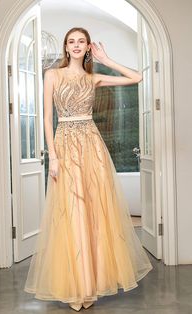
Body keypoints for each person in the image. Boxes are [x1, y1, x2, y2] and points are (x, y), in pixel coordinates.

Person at [24, 27, 153, 311]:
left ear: (88, 47)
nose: (76, 45)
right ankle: (76, 286)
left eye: (82, 41)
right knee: (71, 211)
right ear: (66, 47)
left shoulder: (94, 77)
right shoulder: (52, 75)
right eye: (71, 41)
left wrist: (106, 59)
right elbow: (47, 119)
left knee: (93, 211)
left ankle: (90, 284)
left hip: (91, 146)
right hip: (65, 145)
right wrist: (53, 158)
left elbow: (137, 77)